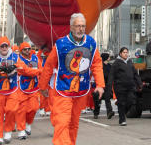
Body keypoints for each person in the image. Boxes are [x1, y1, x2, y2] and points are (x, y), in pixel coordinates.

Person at [37, 12, 105, 145]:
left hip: (81, 90)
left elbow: (96, 63)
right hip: (62, 89)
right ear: (71, 27)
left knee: (73, 124)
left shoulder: (91, 43)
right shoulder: (61, 44)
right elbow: (49, 66)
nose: (80, 29)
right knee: (62, 122)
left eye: (83, 26)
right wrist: (43, 86)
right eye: (78, 26)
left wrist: (100, 84)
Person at [0, 36, 21, 144]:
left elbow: (23, 68)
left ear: (9, 46)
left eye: (6, 45)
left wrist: (14, 67)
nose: (4, 47)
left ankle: (8, 131)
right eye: (2, 46)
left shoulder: (15, 57)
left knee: (12, 109)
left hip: (12, 90)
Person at [13, 42, 41, 139]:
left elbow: (41, 68)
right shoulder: (18, 59)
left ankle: (28, 123)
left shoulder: (36, 58)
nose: (27, 51)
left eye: (29, 48)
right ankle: (21, 130)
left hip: (33, 88)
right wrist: (39, 71)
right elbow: (25, 71)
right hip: (21, 88)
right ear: (21, 51)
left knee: (34, 108)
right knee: (21, 110)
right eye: (25, 49)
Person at [111, 46, 141, 126]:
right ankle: (122, 120)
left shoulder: (130, 62)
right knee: (122, 103)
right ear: (120, 54)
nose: (125, 54)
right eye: (124, 52)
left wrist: (139, 83)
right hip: (120, 87)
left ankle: (121, 107)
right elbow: (111, 75)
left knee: (131, 101)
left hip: (130, 86)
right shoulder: (116, 63)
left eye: (126, 52)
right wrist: (109, 85)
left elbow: (135, 74)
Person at [93, 52, 114, 119]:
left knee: (107, 99)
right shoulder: (101, 66)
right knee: (98, 100)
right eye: (108, 56)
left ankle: (109, 112)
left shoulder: (109, 66)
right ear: (105, 57)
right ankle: (96, 113)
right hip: (101, 85)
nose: (109, 58)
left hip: (107, 85)